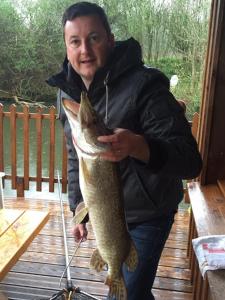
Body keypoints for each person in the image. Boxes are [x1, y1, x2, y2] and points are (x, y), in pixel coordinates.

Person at [47, 2, 202, 299]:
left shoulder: (146, 86)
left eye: (93, 38)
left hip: (148, 212)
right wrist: (78, 211)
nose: (85, 51)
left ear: (110, 39)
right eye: (75, 41)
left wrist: (138, 145)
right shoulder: (66, 91)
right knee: (135, 292)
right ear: (67, 48)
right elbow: (75, 155)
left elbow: (189, 161)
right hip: (105, 213)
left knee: (123, 294)